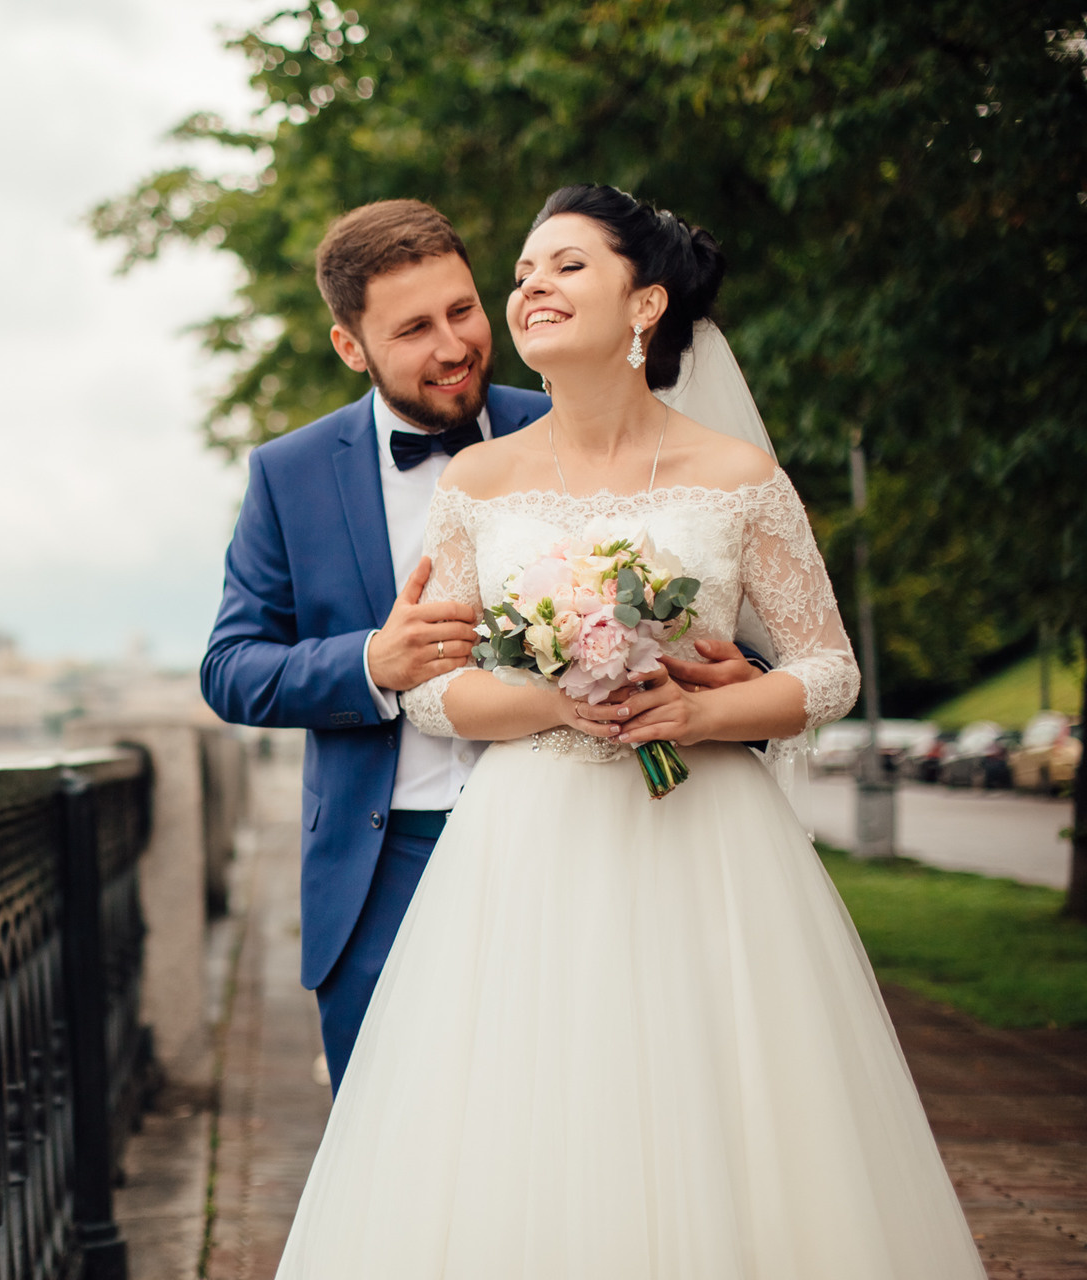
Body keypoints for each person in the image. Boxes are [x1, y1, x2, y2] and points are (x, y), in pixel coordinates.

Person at [273, 185, 984, 1277]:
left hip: (708, 842)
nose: (529, 289)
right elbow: (434, 689)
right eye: (523, 272)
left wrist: (703, 709)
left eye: (564, 266)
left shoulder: (738, 477)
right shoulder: (480, 479)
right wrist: (563, 697)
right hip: (527, 845)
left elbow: (830, 668)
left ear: (643, 302)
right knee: (532, 1119)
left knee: (726, 1116)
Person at [200, 199, 759, 1092]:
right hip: (387, 864)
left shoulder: (579, 414)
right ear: (352, 347)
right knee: (390, 1145)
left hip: (589, 845)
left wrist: (737, 689)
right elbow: (229, 669)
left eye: (461, 310)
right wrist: (370, 664)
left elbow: (710, 606)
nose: (453, 345)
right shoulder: (288, 474)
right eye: (414, 329)